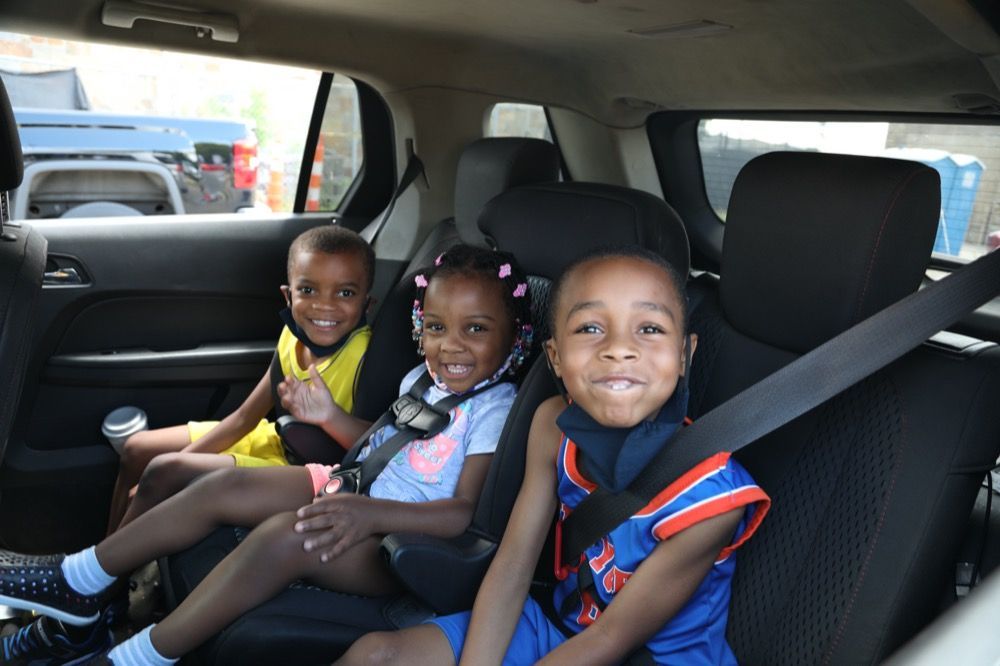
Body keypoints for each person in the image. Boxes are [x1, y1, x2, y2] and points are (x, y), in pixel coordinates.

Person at [0, 245, 534, 666]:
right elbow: (376, 444)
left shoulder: (495, 410)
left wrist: (369, 512)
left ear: (514, 337)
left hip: (399, 544)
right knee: (219, 486)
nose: (452, 346)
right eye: (437, 328)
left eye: (476, 329)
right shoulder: (423, 378)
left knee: (285, 534)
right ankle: (81, 577)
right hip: (354, 487)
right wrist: (328, 417)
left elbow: (463, 512)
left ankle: (138, 656)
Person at [340, 247, 771, 665]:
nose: (619, 348)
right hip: (555, 627)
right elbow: (512, 569)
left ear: (683, 355)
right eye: (590, 329)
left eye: (650, 329)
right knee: (374, 655)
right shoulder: (552, 425)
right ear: (556, 357)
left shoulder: (713, 498)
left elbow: (612, 638)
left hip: (648, 655)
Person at [106, 225, 375, 533]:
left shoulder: (363, 355)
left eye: (345, 293)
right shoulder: (293, 334)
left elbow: (376, 448)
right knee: (137, 449)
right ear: (288, 296)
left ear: (367, 303)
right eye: (308, 290)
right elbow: (245, 417)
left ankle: (101, 574)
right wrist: (160, 474)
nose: (324, 305)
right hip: (277, 439)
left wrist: (330, 418)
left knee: (164, 470)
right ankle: (107, 556)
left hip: (306, 470)